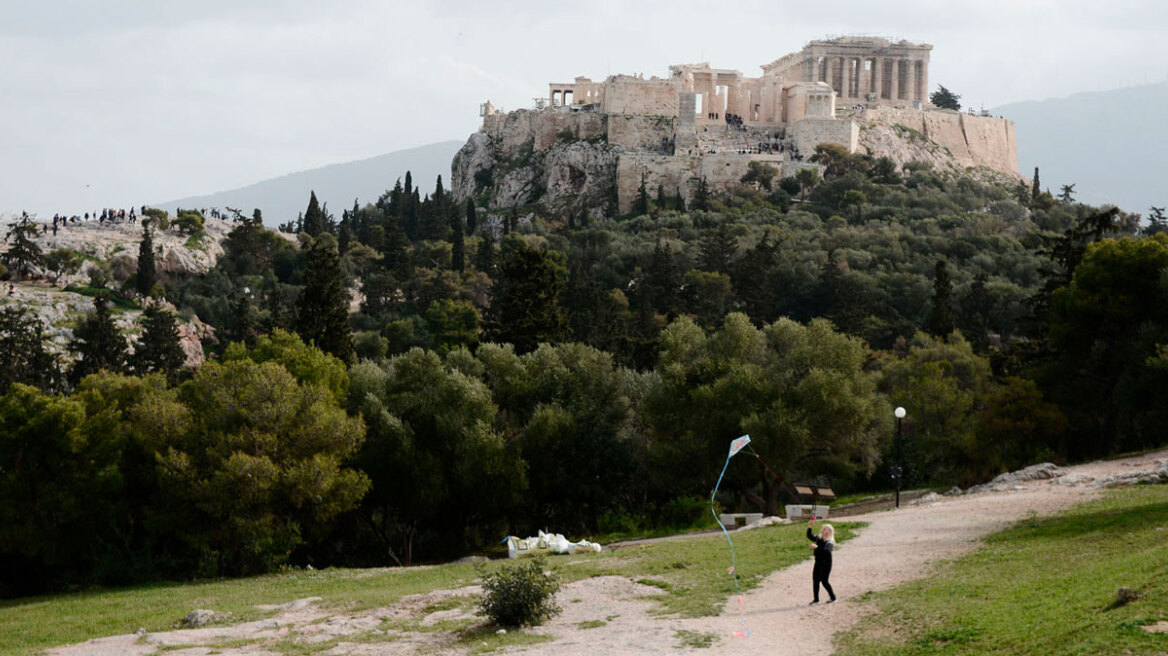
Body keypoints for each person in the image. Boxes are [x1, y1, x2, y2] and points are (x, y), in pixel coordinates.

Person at [807, 516, 836, 604]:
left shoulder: (830, 542)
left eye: (824, 529)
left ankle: (833, 597)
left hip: (826, 564)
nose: (822, 530)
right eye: (822, 529)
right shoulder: (819, 538)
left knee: (824, 581)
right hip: (818, 562)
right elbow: (809, 536)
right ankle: (816, 599)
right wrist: (810, 526)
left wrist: (816, 547)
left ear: (829, 532)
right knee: (815, 580)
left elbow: (826, 552)